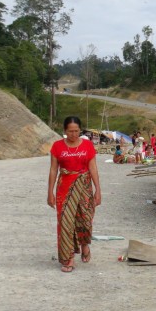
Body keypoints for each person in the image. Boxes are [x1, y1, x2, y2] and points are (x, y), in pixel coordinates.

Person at [48, 116, 101, 273]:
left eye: (76, 131)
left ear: (80, 130)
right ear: (65, 131)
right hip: (64, 188)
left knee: (85, 219)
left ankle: (84, 244)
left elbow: (93, 168)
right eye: (70, 131)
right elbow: (53, 170)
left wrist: (98, 189)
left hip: (85, 187)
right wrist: (49, 192)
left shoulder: (87, 145)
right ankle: (68, 258)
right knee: (66, 223)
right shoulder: (57, 147)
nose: (73, 134)